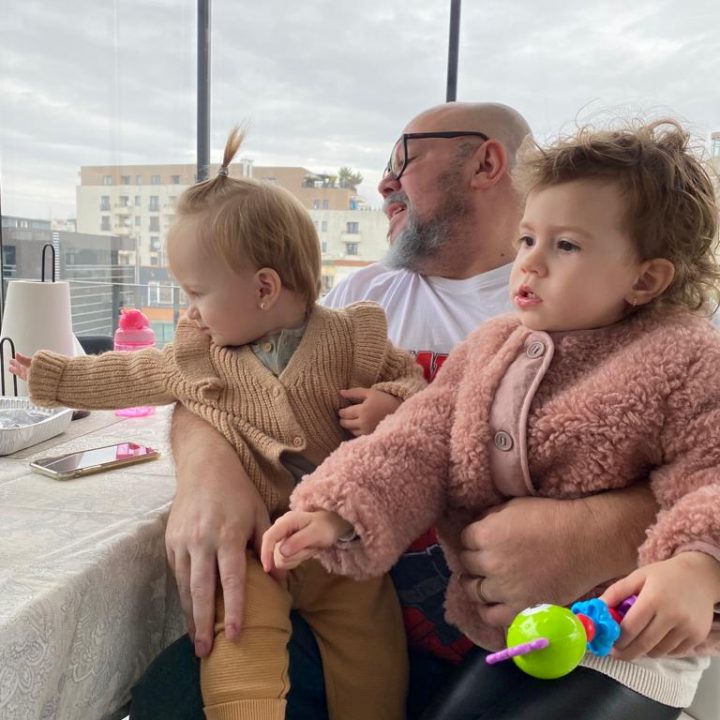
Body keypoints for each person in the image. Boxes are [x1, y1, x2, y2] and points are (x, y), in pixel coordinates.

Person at [130, 103, 658, 719]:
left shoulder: (620, 302)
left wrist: (594, 533)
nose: (383, 183)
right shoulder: (360, 298)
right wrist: (209, 469)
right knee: (173, 701)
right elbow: (228, 375)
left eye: (403, 159)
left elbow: (701, 462)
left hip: (570, 633)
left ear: (486, 163)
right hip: (363, 608)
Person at [263, 118, 720, 720]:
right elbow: (417, 440)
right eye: (527, 239)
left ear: (646, 278)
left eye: (566, 246)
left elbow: (711, 470)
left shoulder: (686, 357)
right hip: (512, 633)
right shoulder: (489, 347)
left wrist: (700, 564)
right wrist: (338, 510)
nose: (529, 265)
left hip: (629, 642)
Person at [10, 127, 427, 720]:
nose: (189, 311)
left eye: (196, 293)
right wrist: (55, 375)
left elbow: (414, 387)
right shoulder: (198, 354)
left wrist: (391, 401)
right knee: (236, 646)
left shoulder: (352, 335)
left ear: (264, 288)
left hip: (339, 546)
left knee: (375, 662)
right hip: (252, 546)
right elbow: (129, 373)